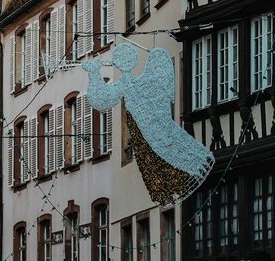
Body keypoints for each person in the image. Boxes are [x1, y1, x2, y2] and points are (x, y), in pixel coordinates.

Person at [83, 45, 215, 204]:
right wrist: (94, 74)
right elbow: (102, 99)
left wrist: (94, 73)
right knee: (172, 152)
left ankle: (182, 180)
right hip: (155, 130)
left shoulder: (126, 85)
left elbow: (102, 99)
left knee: (164, 156)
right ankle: (194, 171)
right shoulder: (142, 81)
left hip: (149, 132)